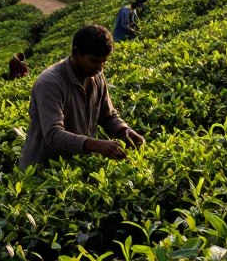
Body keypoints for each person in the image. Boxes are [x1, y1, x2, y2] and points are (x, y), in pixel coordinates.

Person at [19, 24, 144, 170]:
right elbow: (53, 134)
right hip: (43, 170)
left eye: (104, 61)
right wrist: (96, 145)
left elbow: (107, 116)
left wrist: (124, 131)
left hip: (75, 166)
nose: (100, 67)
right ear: (75, 52)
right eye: (94, 61)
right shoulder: (50, 83)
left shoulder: (96, 75)